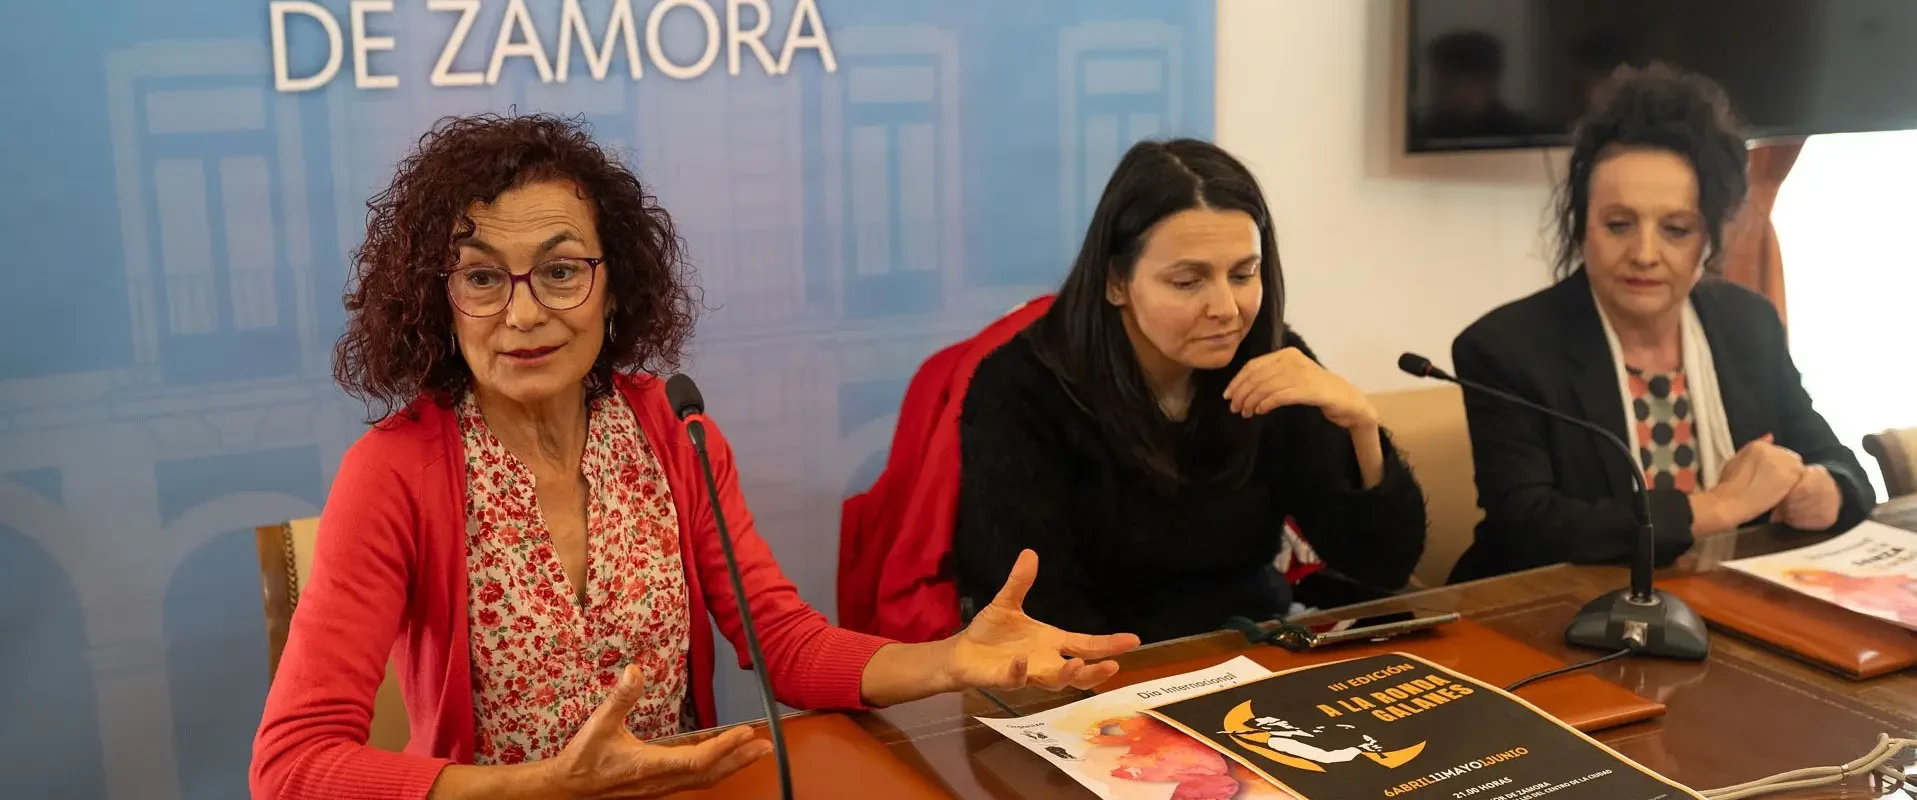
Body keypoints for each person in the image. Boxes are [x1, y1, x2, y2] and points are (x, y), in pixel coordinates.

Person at [250, 113, 1139, 800]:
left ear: (614, 287)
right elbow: (291, 765)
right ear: (437, 299)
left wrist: (947, 660)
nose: (522, 315)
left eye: (561, 271)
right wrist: (542, 788)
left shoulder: (671, 430)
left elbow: (783, 644)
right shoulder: (395, 471)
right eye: (482, 277)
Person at [951, 138, 1428, 645]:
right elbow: (1038, 614)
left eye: (1244, 274)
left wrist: (1361, 426)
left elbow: (1382, 566)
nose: (1225, 307)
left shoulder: (1269, 360)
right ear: (1116, 281)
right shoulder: (1021, 391)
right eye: (1187, 282)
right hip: (1104, 674)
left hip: (1256, 647)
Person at [1448, 64, 1873, 582]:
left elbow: (1839, 464)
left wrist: (1823, 491)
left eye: (1675, 229)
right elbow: (1530, 529)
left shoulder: (1748, 322)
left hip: (1723, 606)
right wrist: (1713, 508)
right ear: (1582, 228)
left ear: (1709, 240)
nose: (1644, 254)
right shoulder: (1505, 348)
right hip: (1549, 614)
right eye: (1619, 225)